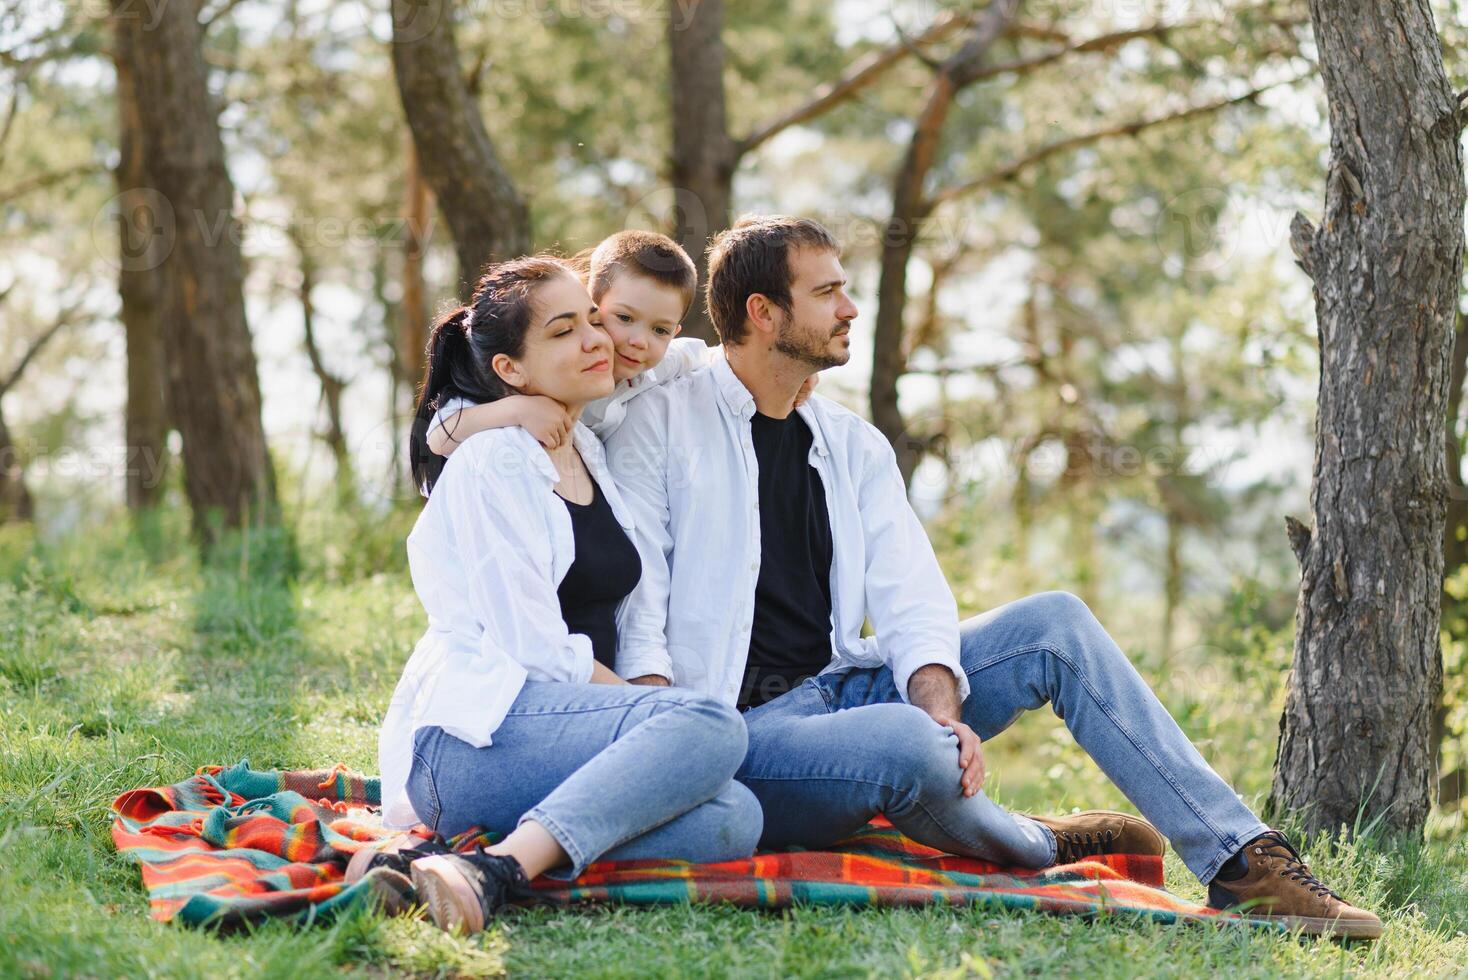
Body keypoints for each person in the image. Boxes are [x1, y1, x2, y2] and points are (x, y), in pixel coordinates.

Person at [605, 215, 1383, 940]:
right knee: (910, 746)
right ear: (763, 313)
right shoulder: (661, 414)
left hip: (842, 688)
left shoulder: (852, 445)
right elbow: (639, 595)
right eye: (827, 292)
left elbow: (912, 596)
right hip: (738, 733)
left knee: (1054, 625)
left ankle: (1242, 861)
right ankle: (1041, 839)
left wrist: (944, 712)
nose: (850, 307)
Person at [371, 255, 761, 935]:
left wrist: (650, 696)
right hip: (473, 740)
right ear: (511, 373)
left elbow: (698, 358)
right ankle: (498, 872)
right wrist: (653, 713)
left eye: (591, 319)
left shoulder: (590, 451)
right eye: (563, 331)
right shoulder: (494, 460)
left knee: (736, 818)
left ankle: (446, 868)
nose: (597, 341)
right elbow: (534, 648)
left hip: (566, 730)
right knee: (711, 725)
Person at [423, 229, 814, 459]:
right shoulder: (539, 378)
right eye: (623, 318)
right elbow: (440, 434)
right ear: (590, 304)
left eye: (660, 330)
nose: (637, 341)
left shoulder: (662, 365)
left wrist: (788, 379)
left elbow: (719, 361)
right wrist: (519, 408)